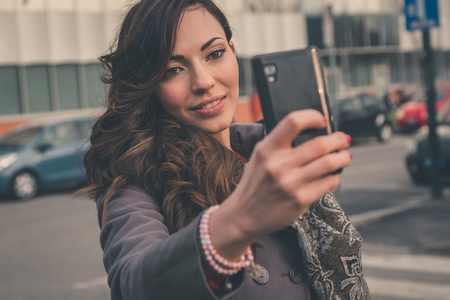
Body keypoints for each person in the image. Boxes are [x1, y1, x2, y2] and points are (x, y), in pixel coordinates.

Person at [79, 0, 371, 299]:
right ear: (149, 86)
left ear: (232, 52)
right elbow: (133, 284)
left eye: (215, 54)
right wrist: (239, 219)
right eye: (172, 70)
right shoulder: (134, 183)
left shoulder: (271, 151)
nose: (204, 81)